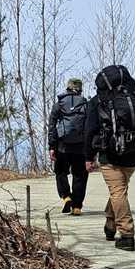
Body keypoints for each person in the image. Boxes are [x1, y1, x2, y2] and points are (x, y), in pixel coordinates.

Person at [84, 64, 135, 251]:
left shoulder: (98, 101)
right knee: (120, 191)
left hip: (110, 154)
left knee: (117, 192)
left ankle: (127, 234)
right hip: (134, 153)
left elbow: (90, 130)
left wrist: (88, 157)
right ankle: (110, 224)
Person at [48, 78, 91, 214]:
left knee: (60, 172)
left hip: (62, 146)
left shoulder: (59, 104)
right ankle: (77, 206)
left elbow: (52, 126)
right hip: (80, 147)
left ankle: (66, 197)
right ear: (80, 89)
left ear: (67, 88)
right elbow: (90, 128)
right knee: (80, 175)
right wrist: (90, 149)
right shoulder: (86, 105)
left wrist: (52, 146)